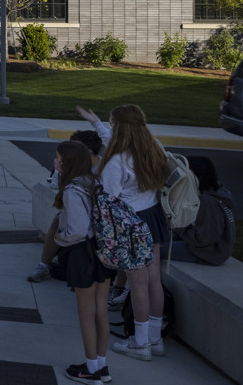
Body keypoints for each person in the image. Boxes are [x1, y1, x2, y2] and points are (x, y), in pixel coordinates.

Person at [96, 104, 171, 362]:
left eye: (111, 125)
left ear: (119, 129)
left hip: (130, 223)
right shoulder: (155, 148)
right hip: (153, 216)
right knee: (153, 281)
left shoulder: (116, 162)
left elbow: (109, 201)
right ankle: (155, 338)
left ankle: (140, 344)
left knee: (137, 284)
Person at [47, 140, 115, 383]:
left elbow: (77, 229)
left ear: (68, 162)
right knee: (100, 312)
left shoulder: (71, 191)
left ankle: (90, 369)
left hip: (82, 253)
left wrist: (58, 237)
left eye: (58, 158)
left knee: (85, 313)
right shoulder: (95, 182)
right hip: (102, 252)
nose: (55, 162)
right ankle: (101, 366)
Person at [28, 128, 105, 282]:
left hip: (94, 225)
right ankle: (44, 265)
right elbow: (56, 185)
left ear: (87, 152)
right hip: (83, 222)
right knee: (58, 219)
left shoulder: (104, 169)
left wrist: (62, 237)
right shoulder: (71, 171)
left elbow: (79, 229)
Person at [171, 155, 234, 265]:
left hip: (209, 253)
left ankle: (153, 282)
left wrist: (179, 228)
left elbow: (205, 238)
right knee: (158, 239)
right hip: (207, 247)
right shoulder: (215, 191)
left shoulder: (208, 201)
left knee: (154, 250)